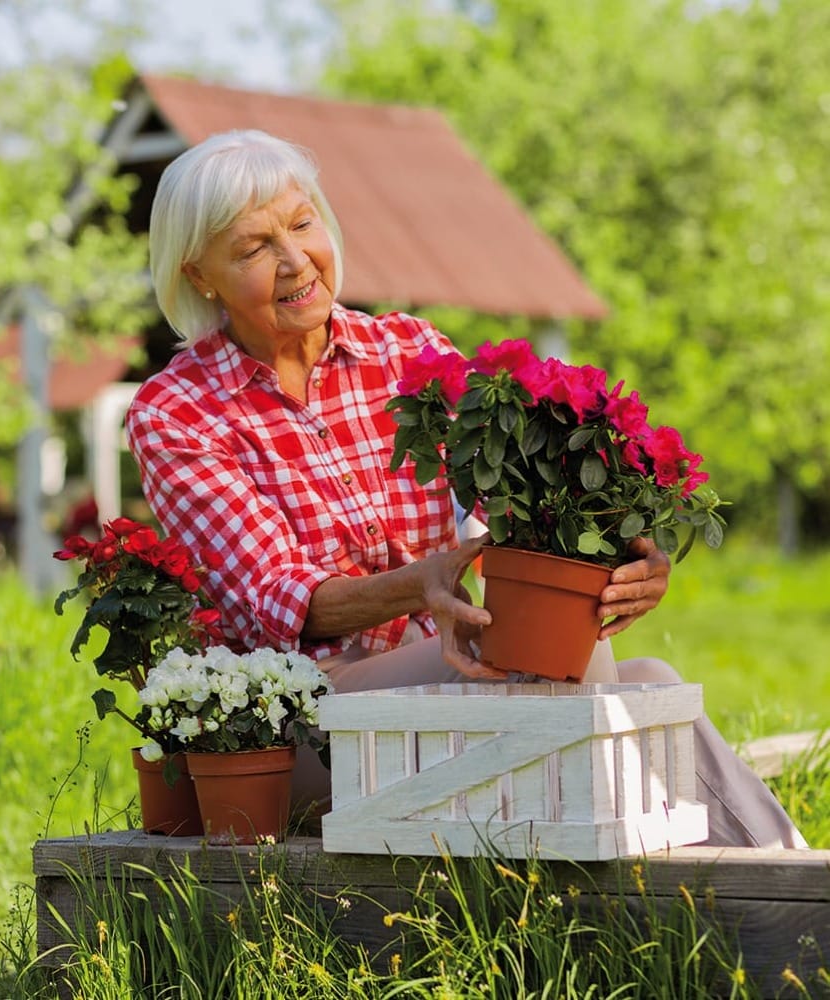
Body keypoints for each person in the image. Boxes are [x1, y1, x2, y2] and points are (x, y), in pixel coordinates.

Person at [125, 128, 805, 849]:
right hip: (302, 728)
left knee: (651, 685)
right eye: (255, 248)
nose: (295, 260)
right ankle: (674, 895)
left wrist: (620, 557)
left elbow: (519, 499)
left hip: (446, 684)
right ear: (200, 274)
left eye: (302, 223)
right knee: (542, 660)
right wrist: (422, 585)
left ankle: (791, 877)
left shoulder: (406, 352)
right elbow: (277, 598)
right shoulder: (176, 413)